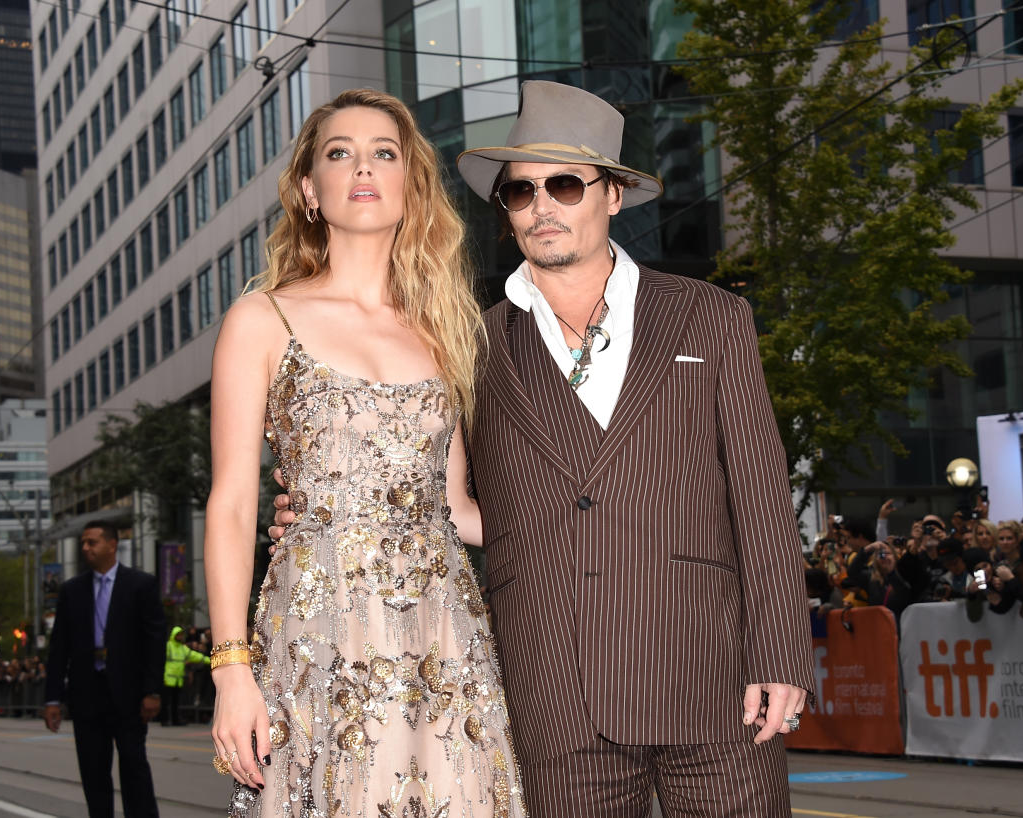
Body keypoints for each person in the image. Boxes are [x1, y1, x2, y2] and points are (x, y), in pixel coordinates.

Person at [269, 80, 815, 817]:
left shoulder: (709, 318)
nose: (541, 207)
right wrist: (320, 511)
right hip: (551, 688)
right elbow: (433, 491)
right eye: (520, 193)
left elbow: (761, 498)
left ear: (613, 195)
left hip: (710, 679)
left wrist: (781, 654)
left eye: (563, 184)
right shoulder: (468, 341)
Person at [204, 88, 525, 817]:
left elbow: (456, 510)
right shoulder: (263, 318)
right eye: (339, 153)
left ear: (411, 185)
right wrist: (231, 670)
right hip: (321, 627)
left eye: (385, 153)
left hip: (443, 632)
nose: (363, 167)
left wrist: (585, 521)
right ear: (309, 189)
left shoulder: (446, 331)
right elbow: (230, 504)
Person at [43, 521, 165, 818]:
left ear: (112, 545)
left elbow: (154, 642)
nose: (86, 548)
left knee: (134, 765)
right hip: (87, 694)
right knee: (93, 771)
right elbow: (59, 648)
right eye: (83, 543)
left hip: (129, 693)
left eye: (92, 542)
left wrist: (152, 691)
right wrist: (52, 699)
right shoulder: (72, 591)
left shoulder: (140, 585)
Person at [161, 626, 207, 726]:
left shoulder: (183, 648)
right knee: (166, 701)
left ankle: (175, 720)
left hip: (178, 679)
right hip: (168, 679)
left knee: (176, 702)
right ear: (174, 635)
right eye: (178, 634)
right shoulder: (168, 646)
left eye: (181, 635)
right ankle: (164, 720)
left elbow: (195, 656)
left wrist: (211, 660)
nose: (180, 636)